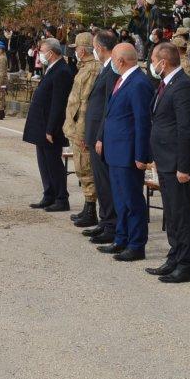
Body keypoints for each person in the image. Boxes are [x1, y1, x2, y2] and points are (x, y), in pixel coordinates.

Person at [144, 42, 190, 283]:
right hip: (164, 159)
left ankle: (186, 265)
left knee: (181, 215)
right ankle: (174, 257)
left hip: (177, 162)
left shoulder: (183, 87)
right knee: (171, 212)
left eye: (153, 60)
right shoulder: (166, 84)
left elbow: (184, 130)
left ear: (163, 63)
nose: (151, 65)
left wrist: (183, 166)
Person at [94, 43, 154, 262]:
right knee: (120, 200)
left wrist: (141, 155)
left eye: (115, 59)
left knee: (132, 200)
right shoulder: (123, 80)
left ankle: (136, 244)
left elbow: (142, 122)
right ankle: (121, 238)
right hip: (115, 151)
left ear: (121, 61)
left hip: (128, 153)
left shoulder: (139, 83)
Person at [22, 38, 74, 211]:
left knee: (53, 163)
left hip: (50, 127)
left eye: (42, 51)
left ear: (51, 53)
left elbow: (58, 104)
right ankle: (49, 194)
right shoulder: (52, 69)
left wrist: (51, 128)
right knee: (44, 162)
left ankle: (61, 198)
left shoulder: (62, 71)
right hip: (41, 125)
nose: (40, 54)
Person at [83, 30, 120, 246]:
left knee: (105, 183)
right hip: (94, 133)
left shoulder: (113, 70)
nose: (93, 49)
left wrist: (100, 136)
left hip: (101, 135)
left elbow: (108, 107)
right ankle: (104, 220)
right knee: (99, 181)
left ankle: (111, 224)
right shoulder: (105, 68)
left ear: (100, 48)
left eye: (95, 45)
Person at [62, 32, 101, 228]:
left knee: (86, 168)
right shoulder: (84, 68)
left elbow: (86, 104)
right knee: (81, 167)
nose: (75, 51)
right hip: (75, 127)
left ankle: (91, 208)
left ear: (83, 49)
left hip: (82, 129)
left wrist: (85, 132)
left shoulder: (92, 70)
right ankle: (88, 206)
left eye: (76, 48)